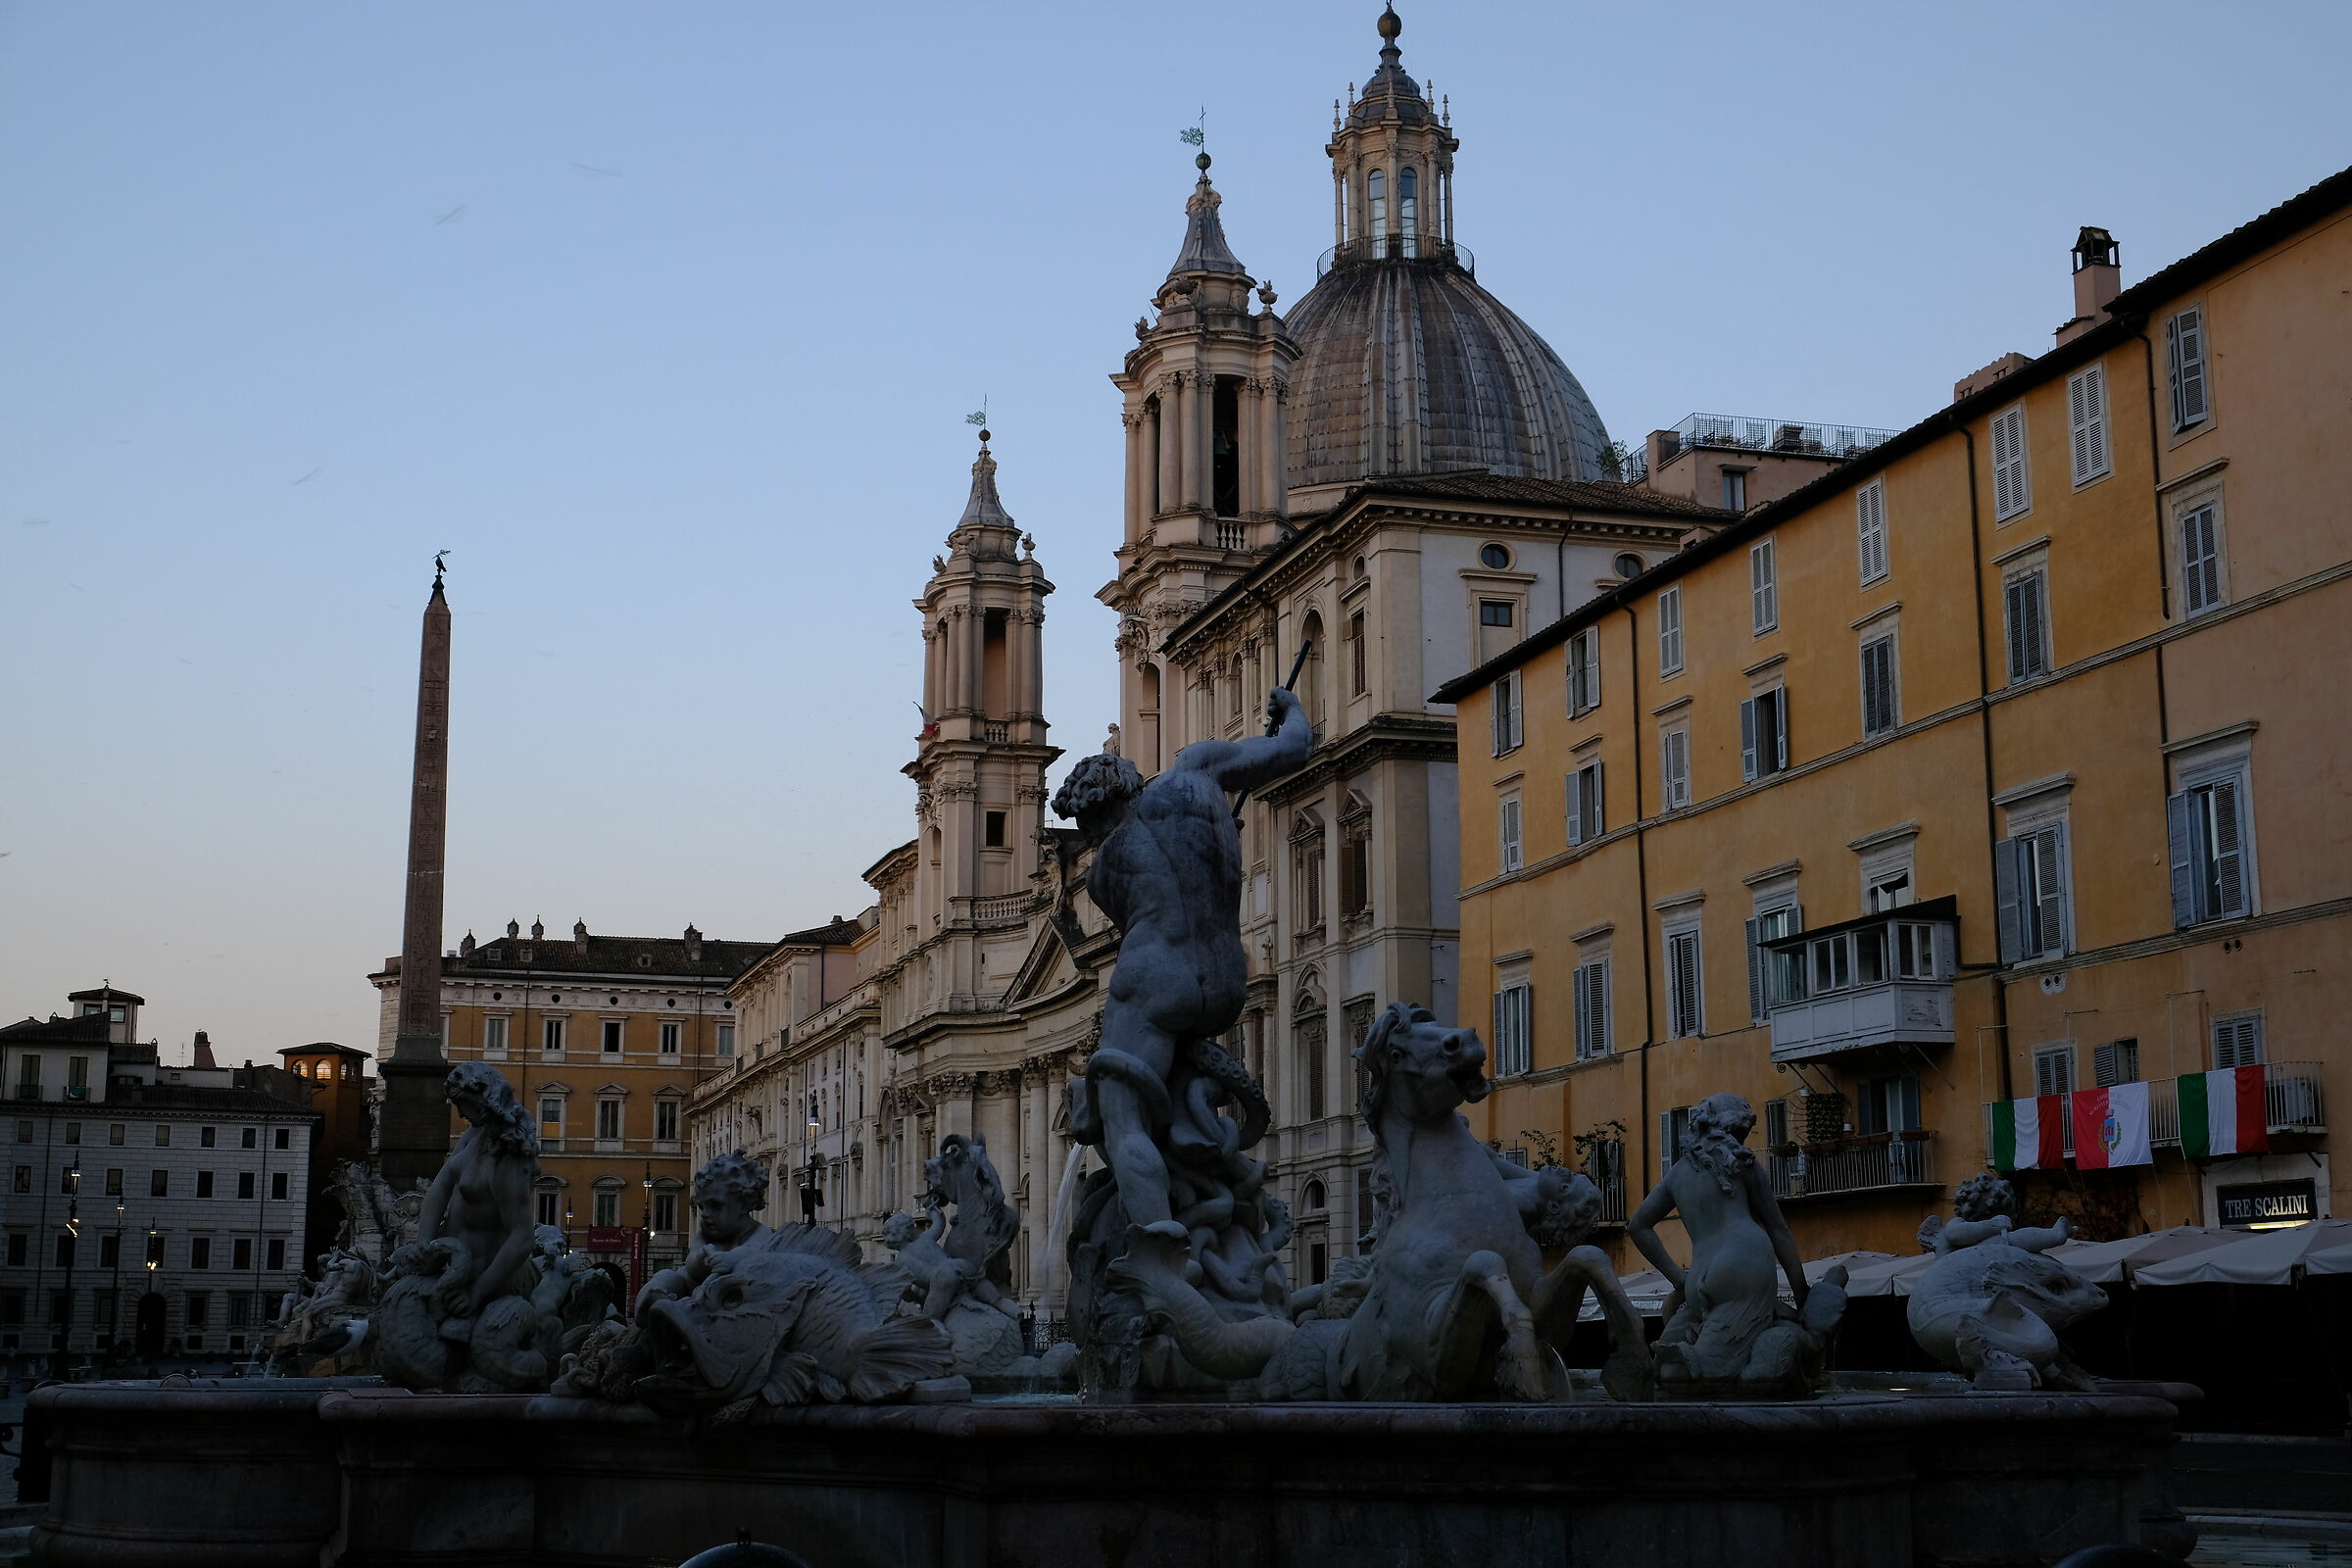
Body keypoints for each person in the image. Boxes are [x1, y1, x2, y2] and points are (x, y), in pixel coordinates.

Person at [1054, 686, 1312, 1237]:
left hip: (1157, 976)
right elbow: (1294, 748)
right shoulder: (1193, 774)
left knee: (1124, 1119)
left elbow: (1150, 907)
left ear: (1088, 816)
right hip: (1225, 980)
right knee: (1170, 1089)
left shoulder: (1101, 875)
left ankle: (1158, 1260)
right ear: (1128, 777)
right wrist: (1287, 708)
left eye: (1085, 827)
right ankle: (1215, 1191)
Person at [1626, 1092, 1809, 1381]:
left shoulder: (1677, 1173)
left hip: (1699, 1276)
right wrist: (1802, 1296)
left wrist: (1676, 1276)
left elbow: (1637, 1226)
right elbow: (1779, 1230)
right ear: (1732, 1129)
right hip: (1744, 1261)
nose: (1744, 1142)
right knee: (1717, 1374)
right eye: (1743, 1133)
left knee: (1670, 1377)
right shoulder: (1743, 1163)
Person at [416, 1061, 540, 1324]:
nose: (460, 1113)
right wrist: (424, 1242)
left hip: (485, 1280)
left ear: (482, 1103)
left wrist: (477, 1292)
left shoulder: (510, 1159)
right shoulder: (475, 1135)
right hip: (449, 1267)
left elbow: (522, 1237)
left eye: (462, 1104)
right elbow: (440, 1186)